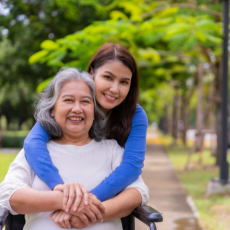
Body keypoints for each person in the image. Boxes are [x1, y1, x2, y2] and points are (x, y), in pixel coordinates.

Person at [0, 68, 149, 230]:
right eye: (68, 100)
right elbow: (8, 194)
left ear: (94, 111)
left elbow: (138, 192)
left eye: (85, 101)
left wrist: (86, 213)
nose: (77, 109)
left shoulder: (112, 149)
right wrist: (62, 199)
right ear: (52, 110)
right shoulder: (37, 152)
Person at [24, 42, 148, 211]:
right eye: (108, 77)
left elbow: (132, 165)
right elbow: (33, 143)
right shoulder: (71, 108)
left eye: (124, 82)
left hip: (104, 198)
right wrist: (58, 187)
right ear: (91, 74)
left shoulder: (136, 115)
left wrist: (84, 203)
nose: (114, 89)